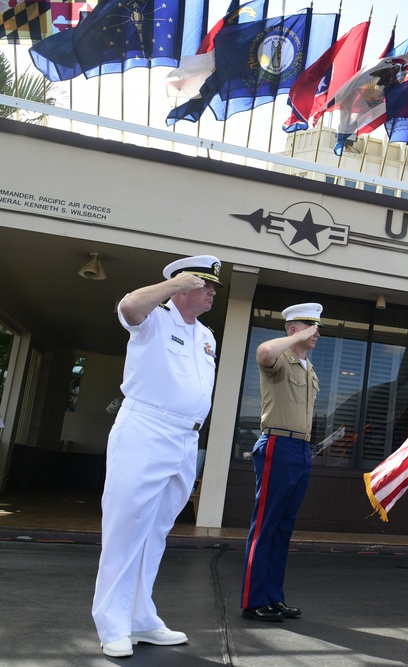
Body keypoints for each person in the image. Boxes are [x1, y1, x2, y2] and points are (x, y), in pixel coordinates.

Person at [92, 255, 223, 657]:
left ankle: (140, 617)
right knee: (125, 527)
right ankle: (112, 624)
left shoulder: (206, 335)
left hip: (186, 439)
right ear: (184, 287)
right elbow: (128, 307)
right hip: (146, 429)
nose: (213, 292)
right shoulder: (154, 319)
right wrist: (170, 285)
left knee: (155, 532)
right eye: (206, 286)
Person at [241, 303, 322, 622]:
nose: (318, 333)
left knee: (283, 528)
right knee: (265, 525)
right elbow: (263, 352)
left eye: (318, 328)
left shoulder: (308, 367)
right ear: (293, 330)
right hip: (277, 442)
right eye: (311, 327)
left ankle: (273, 597)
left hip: (301, 449)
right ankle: (253, 599)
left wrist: (302, 336)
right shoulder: (279, 359)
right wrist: (295, 336)